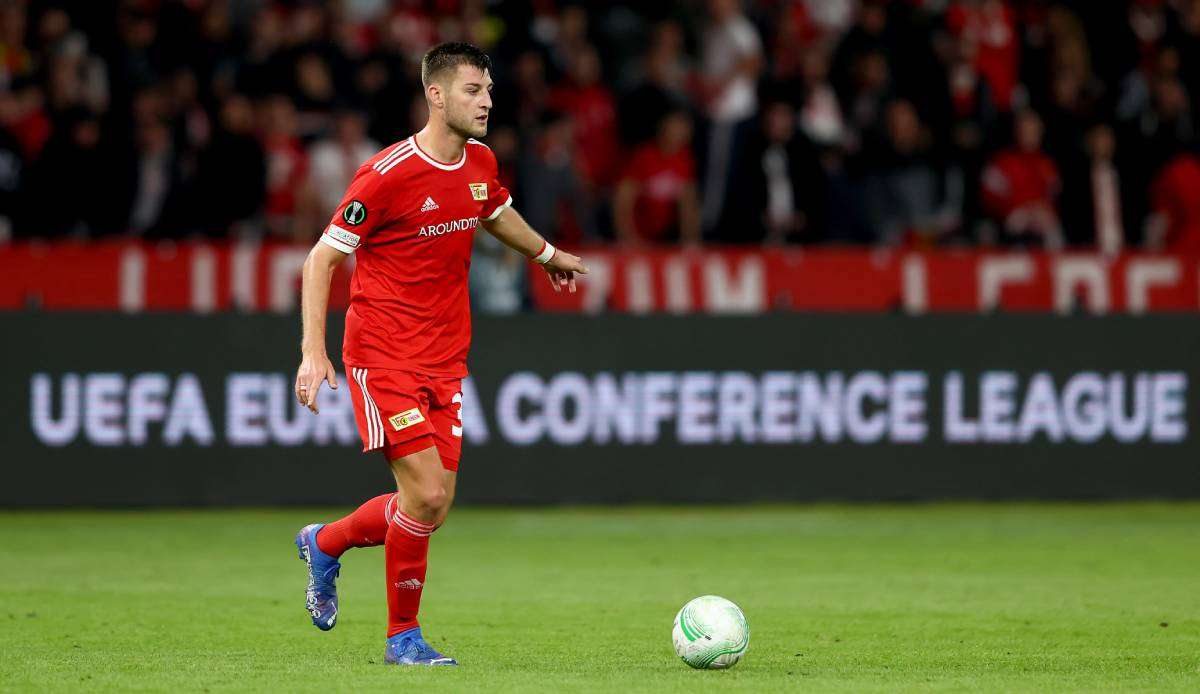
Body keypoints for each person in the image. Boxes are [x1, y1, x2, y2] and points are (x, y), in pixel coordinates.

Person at [290, 42, 588, 666]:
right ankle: (403, 639)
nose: (486, 101)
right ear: (436, 95)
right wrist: (313, 353)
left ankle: (325, 543)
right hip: (382, 353)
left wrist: (547, 255)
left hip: (446, 357)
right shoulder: (387, 174)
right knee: (424, 493)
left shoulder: (479, 161)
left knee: (431, 504)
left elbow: (496, 212)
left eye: (488, 90)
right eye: (473, 90)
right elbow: (322, 258)